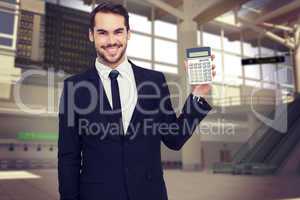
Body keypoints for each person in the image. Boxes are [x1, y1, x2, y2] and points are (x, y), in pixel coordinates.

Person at [58, 2, 216, 200]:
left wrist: (198, 94)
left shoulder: (154, 81)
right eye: (102, 33)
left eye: (118, 32)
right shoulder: (74, 87)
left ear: (128, 33)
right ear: (91, 35)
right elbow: (68, 157)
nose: (111, 40)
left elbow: (174, 138)